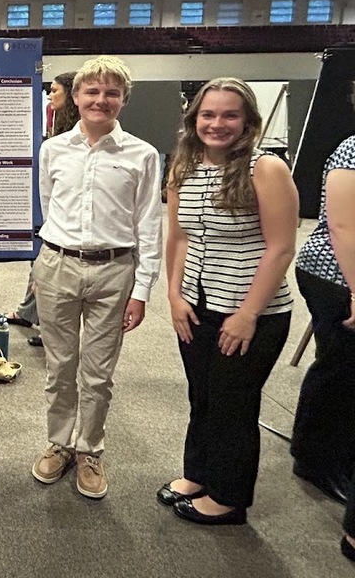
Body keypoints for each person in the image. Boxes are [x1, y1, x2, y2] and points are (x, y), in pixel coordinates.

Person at [160, 78, 297, 525]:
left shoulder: (266, 169)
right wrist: (174, 295)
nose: (217, 124)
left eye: (229, 115)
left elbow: (280, 247)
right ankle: (199, 474)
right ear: (193, 119)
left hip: (249, 310)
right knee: (203, 396)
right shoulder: (184, 166)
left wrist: (247, 314)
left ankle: (229, 497)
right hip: (197, 305)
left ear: (248, 121)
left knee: (234, 404)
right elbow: (178, 237)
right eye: (208, 115)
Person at [30, 55, 162, 500]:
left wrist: (141, 290)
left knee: (98, 372)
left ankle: (89, 448)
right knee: (60, 365)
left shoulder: (141, 155)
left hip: (115, 270)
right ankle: (60, 442)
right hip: (58, 265)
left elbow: (149, 224)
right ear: (78, 97)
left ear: (123, 99)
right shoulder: (53, 149)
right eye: (92, 91)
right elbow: (49, 207)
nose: (100, 100)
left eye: (111, 92)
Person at [291, 128, 355, 556]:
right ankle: (313, 458)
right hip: (334, 275)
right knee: (340, 367)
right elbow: (343, 225)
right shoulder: (352, 148)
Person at [8, 72, 80, 348]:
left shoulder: (74, 132)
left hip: (60, 216)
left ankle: (45, 325)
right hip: (44, 206)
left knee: (46, 266)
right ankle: (28, 312)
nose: (50, 95)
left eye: (55, 90)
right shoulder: (57, 123)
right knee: (38, 261)